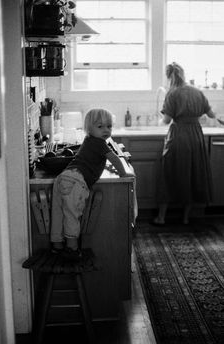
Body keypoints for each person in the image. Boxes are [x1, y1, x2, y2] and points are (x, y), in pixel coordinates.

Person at [50, 108, 135, 258]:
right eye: (100, 126)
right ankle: (72, 248)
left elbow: (93, 160)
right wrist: (124, 173)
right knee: (71, 215)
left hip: (63, 178)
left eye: (109, 126)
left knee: (58, 213)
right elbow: (115, 159)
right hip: (76, 181)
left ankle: (57, 245)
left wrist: (106, 166)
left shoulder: (89, 140)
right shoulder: (100, 143)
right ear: (89, 128)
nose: (106, 130)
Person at [154, 62, 218, 225]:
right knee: (192, 174)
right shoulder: (197, 91)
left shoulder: (172, 93)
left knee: (168, 175)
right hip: (196, 135)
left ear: (169, 76)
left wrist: (159, 119)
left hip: (178, 136)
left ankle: (161, 217)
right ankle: (186, 218)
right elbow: (211, 115)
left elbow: (167, 120)